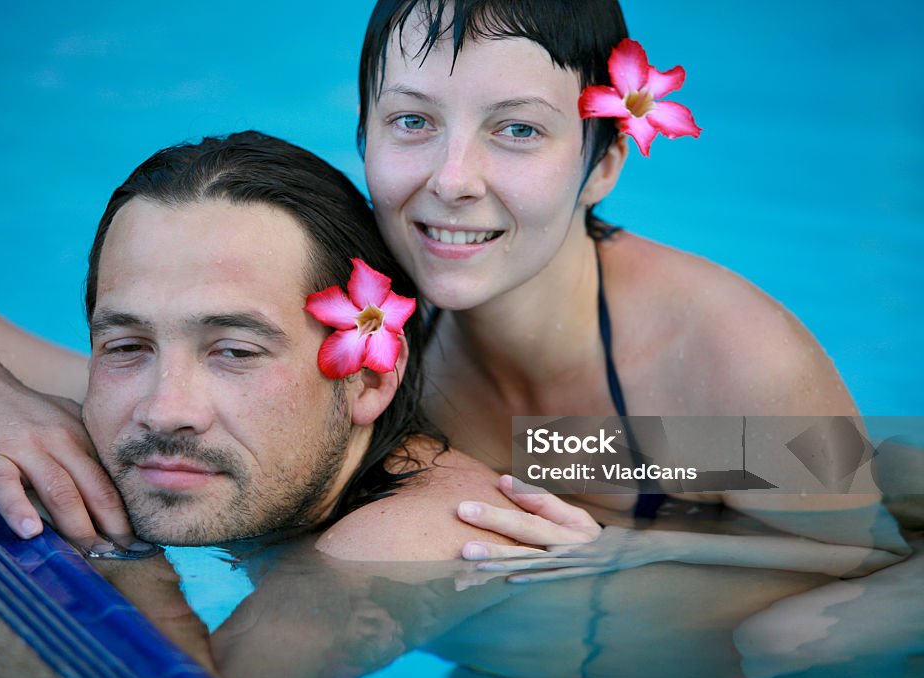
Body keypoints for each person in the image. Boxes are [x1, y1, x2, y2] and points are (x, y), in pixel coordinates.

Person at [354, 0, 909, 575]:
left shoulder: (732, 360)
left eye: (519, 129)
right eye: (413, 121)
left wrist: (650, 550)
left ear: (605, 165)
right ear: (364, 133)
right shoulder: (352, 316)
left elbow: (873, 557)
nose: (452, 180)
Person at [0, 131, 539, 558]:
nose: (164, 409)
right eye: (127, 344)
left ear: (366, 379)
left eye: (234, 352)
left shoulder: (406, 538)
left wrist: (114, 552)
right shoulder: (151, 415)